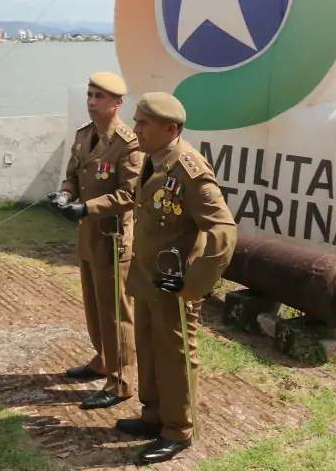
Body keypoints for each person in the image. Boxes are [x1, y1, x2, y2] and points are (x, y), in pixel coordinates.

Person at [116, 92, 237, 465]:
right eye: (135, 121)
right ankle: (153, 415)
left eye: (143, 123)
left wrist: (193, 285)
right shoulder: (152, 159)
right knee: (150, 350)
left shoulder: (188, 168)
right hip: (148, 277)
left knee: (176, 356)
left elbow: (223, 230)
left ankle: (178, 430)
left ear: (170, 129)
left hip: (175, 284)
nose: (135, 129)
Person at [48, 72, 141, 410]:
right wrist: (64, 194)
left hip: (113, 239)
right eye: (89, 95)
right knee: (93, 306)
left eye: (100, 96)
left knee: (116, 312)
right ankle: (103, 360)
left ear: (117, 103)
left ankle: (121, 382)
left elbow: (130, 194)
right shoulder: (84, 136)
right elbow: (73, 176)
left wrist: (85, 207)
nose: (91, 102)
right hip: (88, 236)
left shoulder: (129, 143)